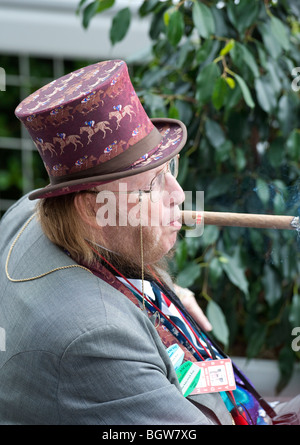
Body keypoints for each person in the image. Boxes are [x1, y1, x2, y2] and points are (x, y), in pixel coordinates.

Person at [0, 59, 299, 426]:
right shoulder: (97, 340)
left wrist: (159, 288)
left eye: (168, 168)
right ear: (93, 209)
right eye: (151, 184)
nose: (178, 194)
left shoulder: (29, 214)